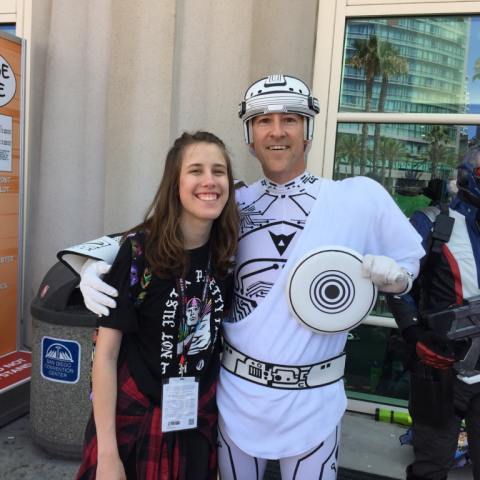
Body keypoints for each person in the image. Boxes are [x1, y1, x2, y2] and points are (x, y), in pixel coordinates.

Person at [66, 75, 425, 480]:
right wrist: (89, 263)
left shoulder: (357, 197)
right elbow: (159, 231)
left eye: (290, 119)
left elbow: (410, 259)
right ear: (250, 136)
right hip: (236, 397)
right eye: (262, 120)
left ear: (308, 131)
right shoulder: (232, 202)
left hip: (315, 400)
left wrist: (399, 278)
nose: (276, 131)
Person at [74, 131, 239, 480]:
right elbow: (104, 356)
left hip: (195, 424)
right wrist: (107, 455)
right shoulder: (139, 254)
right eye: (196, 170)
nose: (209, 180)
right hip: (131, 425)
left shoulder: (229, 255)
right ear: (175, 183)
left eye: (219, 170)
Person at [387, 145, 480, 480]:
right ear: (468, 175)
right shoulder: (431, 222)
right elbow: (396, 282)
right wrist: (414, 334)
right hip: (441, 370)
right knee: (431, 466)